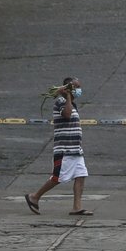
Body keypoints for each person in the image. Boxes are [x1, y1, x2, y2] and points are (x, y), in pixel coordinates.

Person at [24, 77, 93, 216]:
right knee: (57, 178)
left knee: (81, 175)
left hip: (75, 150)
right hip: (64, 149)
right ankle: (34, 197)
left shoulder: (72, 104)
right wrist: (66, 96)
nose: (79, 90)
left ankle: (77, 207)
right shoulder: (61, 102)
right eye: (76, 87)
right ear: (69, 88)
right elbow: (67, 115)